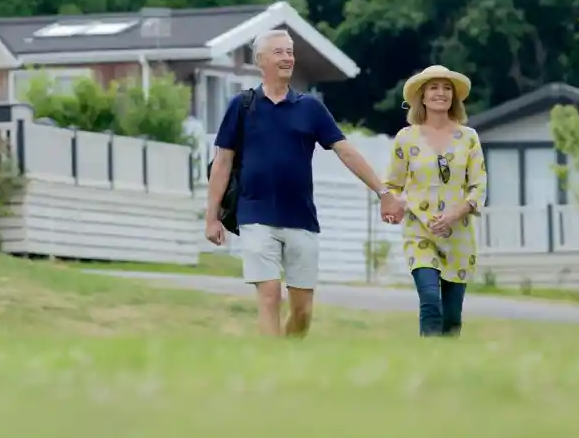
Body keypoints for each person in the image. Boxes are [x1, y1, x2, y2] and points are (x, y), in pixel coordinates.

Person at [205, 28, 404, 337]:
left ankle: (288, 359)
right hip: (254, 213)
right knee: (270, 295)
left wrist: (383, 192)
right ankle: (270, 368)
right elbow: (222, 162)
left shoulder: (310, 108)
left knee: (302, 312)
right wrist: (212, 217)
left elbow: (345, 151)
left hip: (300, 217)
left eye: (290, 51)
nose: (288, 58)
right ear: (261, 61)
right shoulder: (241, 107)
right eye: (279, 52)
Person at [384, 64, 488, 337]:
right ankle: (426, 360)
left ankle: (447, 367)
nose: (440, 93)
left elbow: (479, 186)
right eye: (434, 87)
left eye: (446, 88)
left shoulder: (469, 138)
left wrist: (455, 214)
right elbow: (392, 185)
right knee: (430, 300)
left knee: (452, 317)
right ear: (422, 96)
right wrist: (395, 205)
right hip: (420, 231)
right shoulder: (406, 139)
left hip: (459, 235)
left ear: (454, 96)